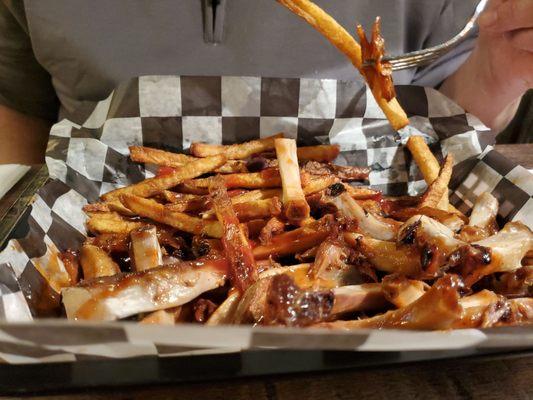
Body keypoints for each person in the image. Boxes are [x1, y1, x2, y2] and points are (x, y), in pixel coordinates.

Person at [0, 0, 531, 164]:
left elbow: (452, 109)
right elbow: (18, 106)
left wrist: (504, 65)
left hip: (380, 218)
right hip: (87, 227)